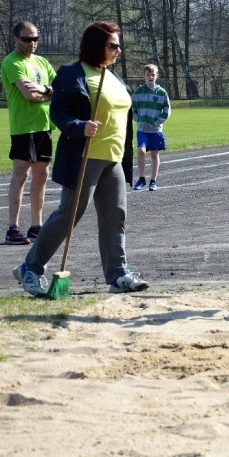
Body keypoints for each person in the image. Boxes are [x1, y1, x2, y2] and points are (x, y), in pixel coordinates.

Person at [13, 21, 149, 296]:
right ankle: (31, 267)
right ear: (97, 46)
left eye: (118, 45)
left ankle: (118, 274)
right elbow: (59, 114)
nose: (118, 50)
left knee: (115, 217)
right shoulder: (72, 74)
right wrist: (79, 126)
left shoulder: (114, 78)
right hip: (84, 157)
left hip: (113, 158)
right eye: (113, 45)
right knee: (68, 216)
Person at [1, 21, 56, 245]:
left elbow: (57, 86)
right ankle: (13, 228)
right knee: (21, 174)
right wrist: (48, 93)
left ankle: (36, 226)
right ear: (16, 39)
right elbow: (28, 94)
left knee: (42, 175)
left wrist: (45, 90)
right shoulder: (12, 62)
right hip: (24, 126)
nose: (32, 43)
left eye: (35, 39)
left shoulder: (42, 61)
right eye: (27, 39)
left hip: (45, 124)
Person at [131, 64, 171, 192]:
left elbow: (167, 109)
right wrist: (138, 118)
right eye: (148, 75)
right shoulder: (138, 92)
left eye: (153, 75)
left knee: (154, 153)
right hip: (142, 129)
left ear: (157, 76)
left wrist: (159, 121)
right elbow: (133, 108)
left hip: (155, 130)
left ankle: (153, 181)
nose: (150, 77)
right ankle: (141, 178)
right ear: (144, 76)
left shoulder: (161, 93)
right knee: (141, 151)